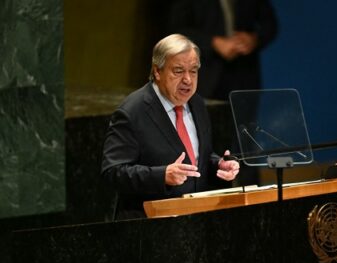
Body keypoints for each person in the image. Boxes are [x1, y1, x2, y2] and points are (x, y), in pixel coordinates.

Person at [101, 34, 240, 220]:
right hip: (149, 227)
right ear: (157, 72)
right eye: (178, 71)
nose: (188, 80)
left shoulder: (196, 104)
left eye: (193, 71)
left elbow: (199, 158)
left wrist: (219, 165)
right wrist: (162, 176)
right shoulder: (132, 112)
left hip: (196, 222)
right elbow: (113, 172)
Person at [167, 0, 278, 100]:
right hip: (203, 76)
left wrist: (254, 39)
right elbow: (177, 29)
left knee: (245, 122)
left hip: (244, 78)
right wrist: (212, 42)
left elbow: (270, 24)